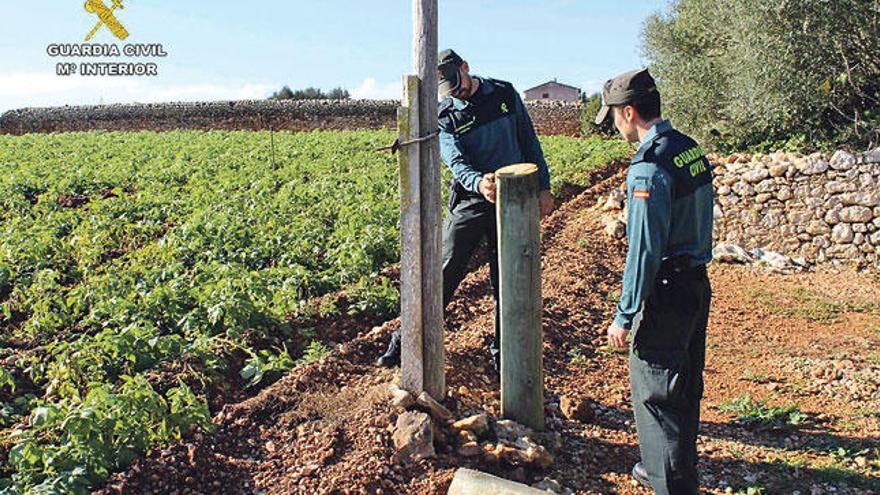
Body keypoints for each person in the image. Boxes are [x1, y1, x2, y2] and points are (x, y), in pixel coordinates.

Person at [376, 48, 554, 372]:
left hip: (514, 200)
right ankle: (404, 342)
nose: (455, 93)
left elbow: (529, 142)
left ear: (466, 68)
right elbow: (455, 160)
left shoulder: (504, 93)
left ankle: (505, 358)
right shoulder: (445, 115)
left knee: (509, 280)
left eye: (456, 84)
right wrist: (478, 183)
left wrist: (544, 186)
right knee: (443, 270)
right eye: (447, 91)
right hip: (474, 199)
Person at [596, 69, 713, 494]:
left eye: (613, 117)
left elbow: (643, 251)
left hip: (665, 293)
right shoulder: (688, 149)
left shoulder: (648, 167)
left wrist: (624, 314)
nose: (613, 125)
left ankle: (670, 484)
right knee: (684, 389)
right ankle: (669, 471)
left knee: (656, 396)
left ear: (629, 112)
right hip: (696, 285)